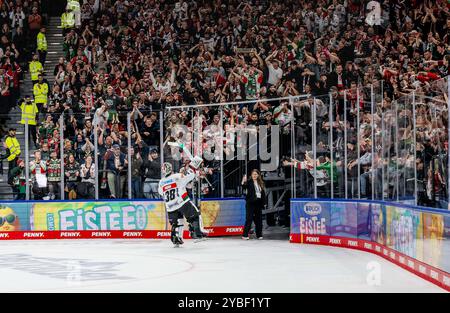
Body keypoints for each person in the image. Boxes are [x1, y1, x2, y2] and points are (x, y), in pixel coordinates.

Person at [158, 162, 207, 246]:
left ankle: (176, 238)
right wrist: (193, 167)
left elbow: (161, 192)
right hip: (182, 202)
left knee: (177, 222)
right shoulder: (177, 176)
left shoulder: (161, 182)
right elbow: (190, 176)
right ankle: (198, 233)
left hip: (170, 206)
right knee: (195, 215)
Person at [241, 169, 266, 240]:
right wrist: (243, 181)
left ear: (258, 175)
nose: (254, 175)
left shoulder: (261, 183)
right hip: (250, 203)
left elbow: (263, 194)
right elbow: (244, 187)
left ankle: (259, 235)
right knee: (249, 219)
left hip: (258, 203)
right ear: (251, 175)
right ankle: (245, 235)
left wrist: (264, 203)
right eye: (253, 174)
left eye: (256, 174)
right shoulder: (249, 182)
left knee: (259, 220)